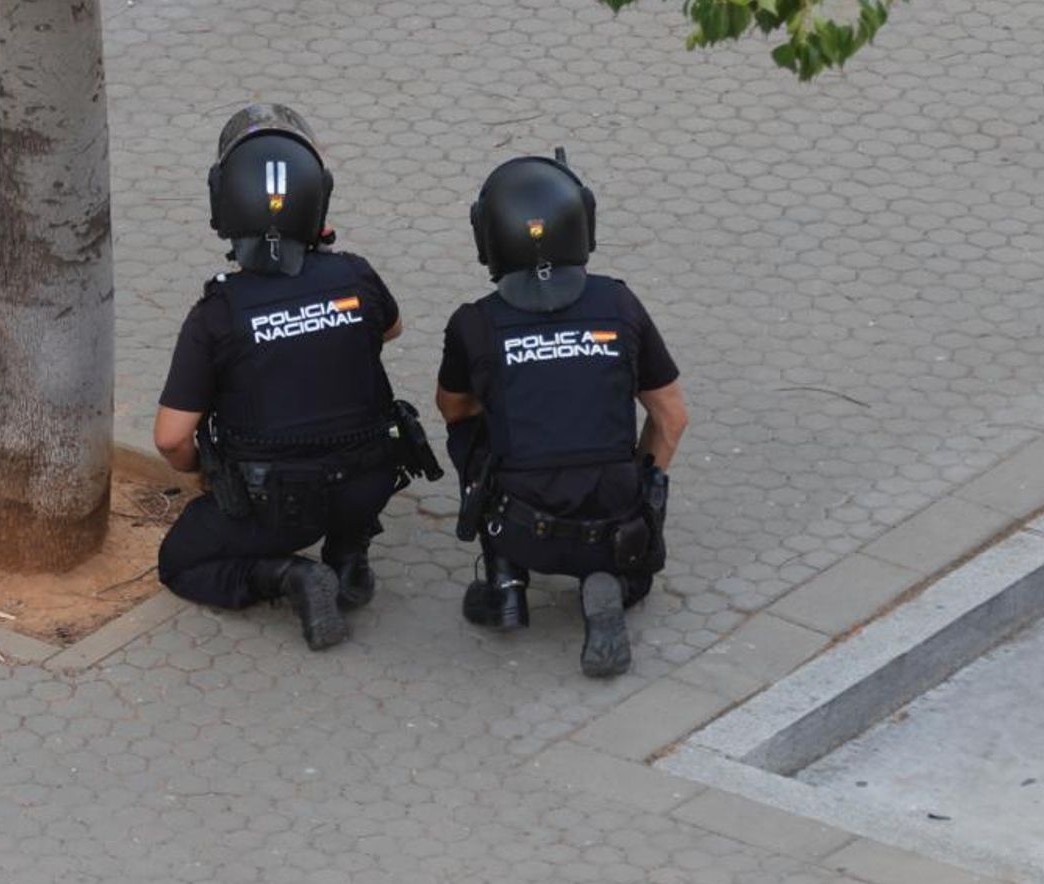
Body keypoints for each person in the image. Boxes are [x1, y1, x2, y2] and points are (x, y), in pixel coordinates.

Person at [154, 104, 437, 651]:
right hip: (368, 484)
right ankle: (350, 555)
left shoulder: (217, 314)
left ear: (223, 203)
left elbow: (170, 438)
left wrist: (203, 475)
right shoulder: (355, 272)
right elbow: (391, 330)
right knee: (352, 470)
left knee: (181, 562)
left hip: (273, 507)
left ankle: (291, 577)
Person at [436, 150, 690, 677]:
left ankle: (504, 583)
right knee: (626, 560)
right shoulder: (619, 304)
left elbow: (452, 407)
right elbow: (672, 417)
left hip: (521, 523)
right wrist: (646, 487)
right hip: (617, 522)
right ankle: (610, 584)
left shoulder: (474, 324)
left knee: (470, 430)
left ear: (489, 239)